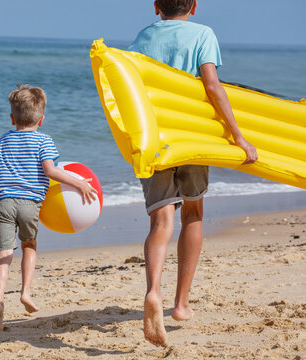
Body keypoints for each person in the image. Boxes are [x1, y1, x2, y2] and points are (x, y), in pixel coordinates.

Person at [127, 0, 258, 347]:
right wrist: (238, 136)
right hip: (193, 138)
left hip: (156, 139)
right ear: (195, 6)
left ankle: (152, 291)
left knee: (160, 222)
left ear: (156, 6)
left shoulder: (142, 37)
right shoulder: (203, 34)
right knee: (193, 211)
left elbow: (131, 91)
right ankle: (181, 305)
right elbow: (212, 85)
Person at [0, 84, 98, 331]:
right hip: (29, 204)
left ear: (11, 118)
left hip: (3, 202)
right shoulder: (44, 141)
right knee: (29, 246)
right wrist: (79, 183)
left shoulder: (2, 140)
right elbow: (51, 171)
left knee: (3, 254)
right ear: (42, 119)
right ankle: (26, 292)